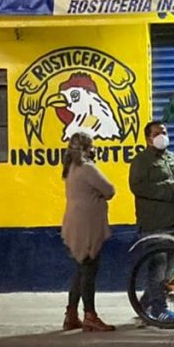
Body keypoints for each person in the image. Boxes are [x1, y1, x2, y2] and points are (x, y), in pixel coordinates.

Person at [129, 121, 174, 323]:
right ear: (148, 139)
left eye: (164, 132)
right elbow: (138, 187)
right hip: (153, 223)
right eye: (157, 133)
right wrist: (169, 187)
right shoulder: (141, 161)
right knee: (157, 268)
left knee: (169, 272)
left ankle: (144, 306)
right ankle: (159, 310)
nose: (162, 136)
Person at [61, 131, 117, 332]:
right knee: (89, 269)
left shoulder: (71, 168)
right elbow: (109, 190)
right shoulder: (87, 168)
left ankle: (71, 315)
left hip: (74, 223)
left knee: (81, 268)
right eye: (92, 146)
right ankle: (90, 315)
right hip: (87, 227)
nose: (95, 149)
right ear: (87, 148)